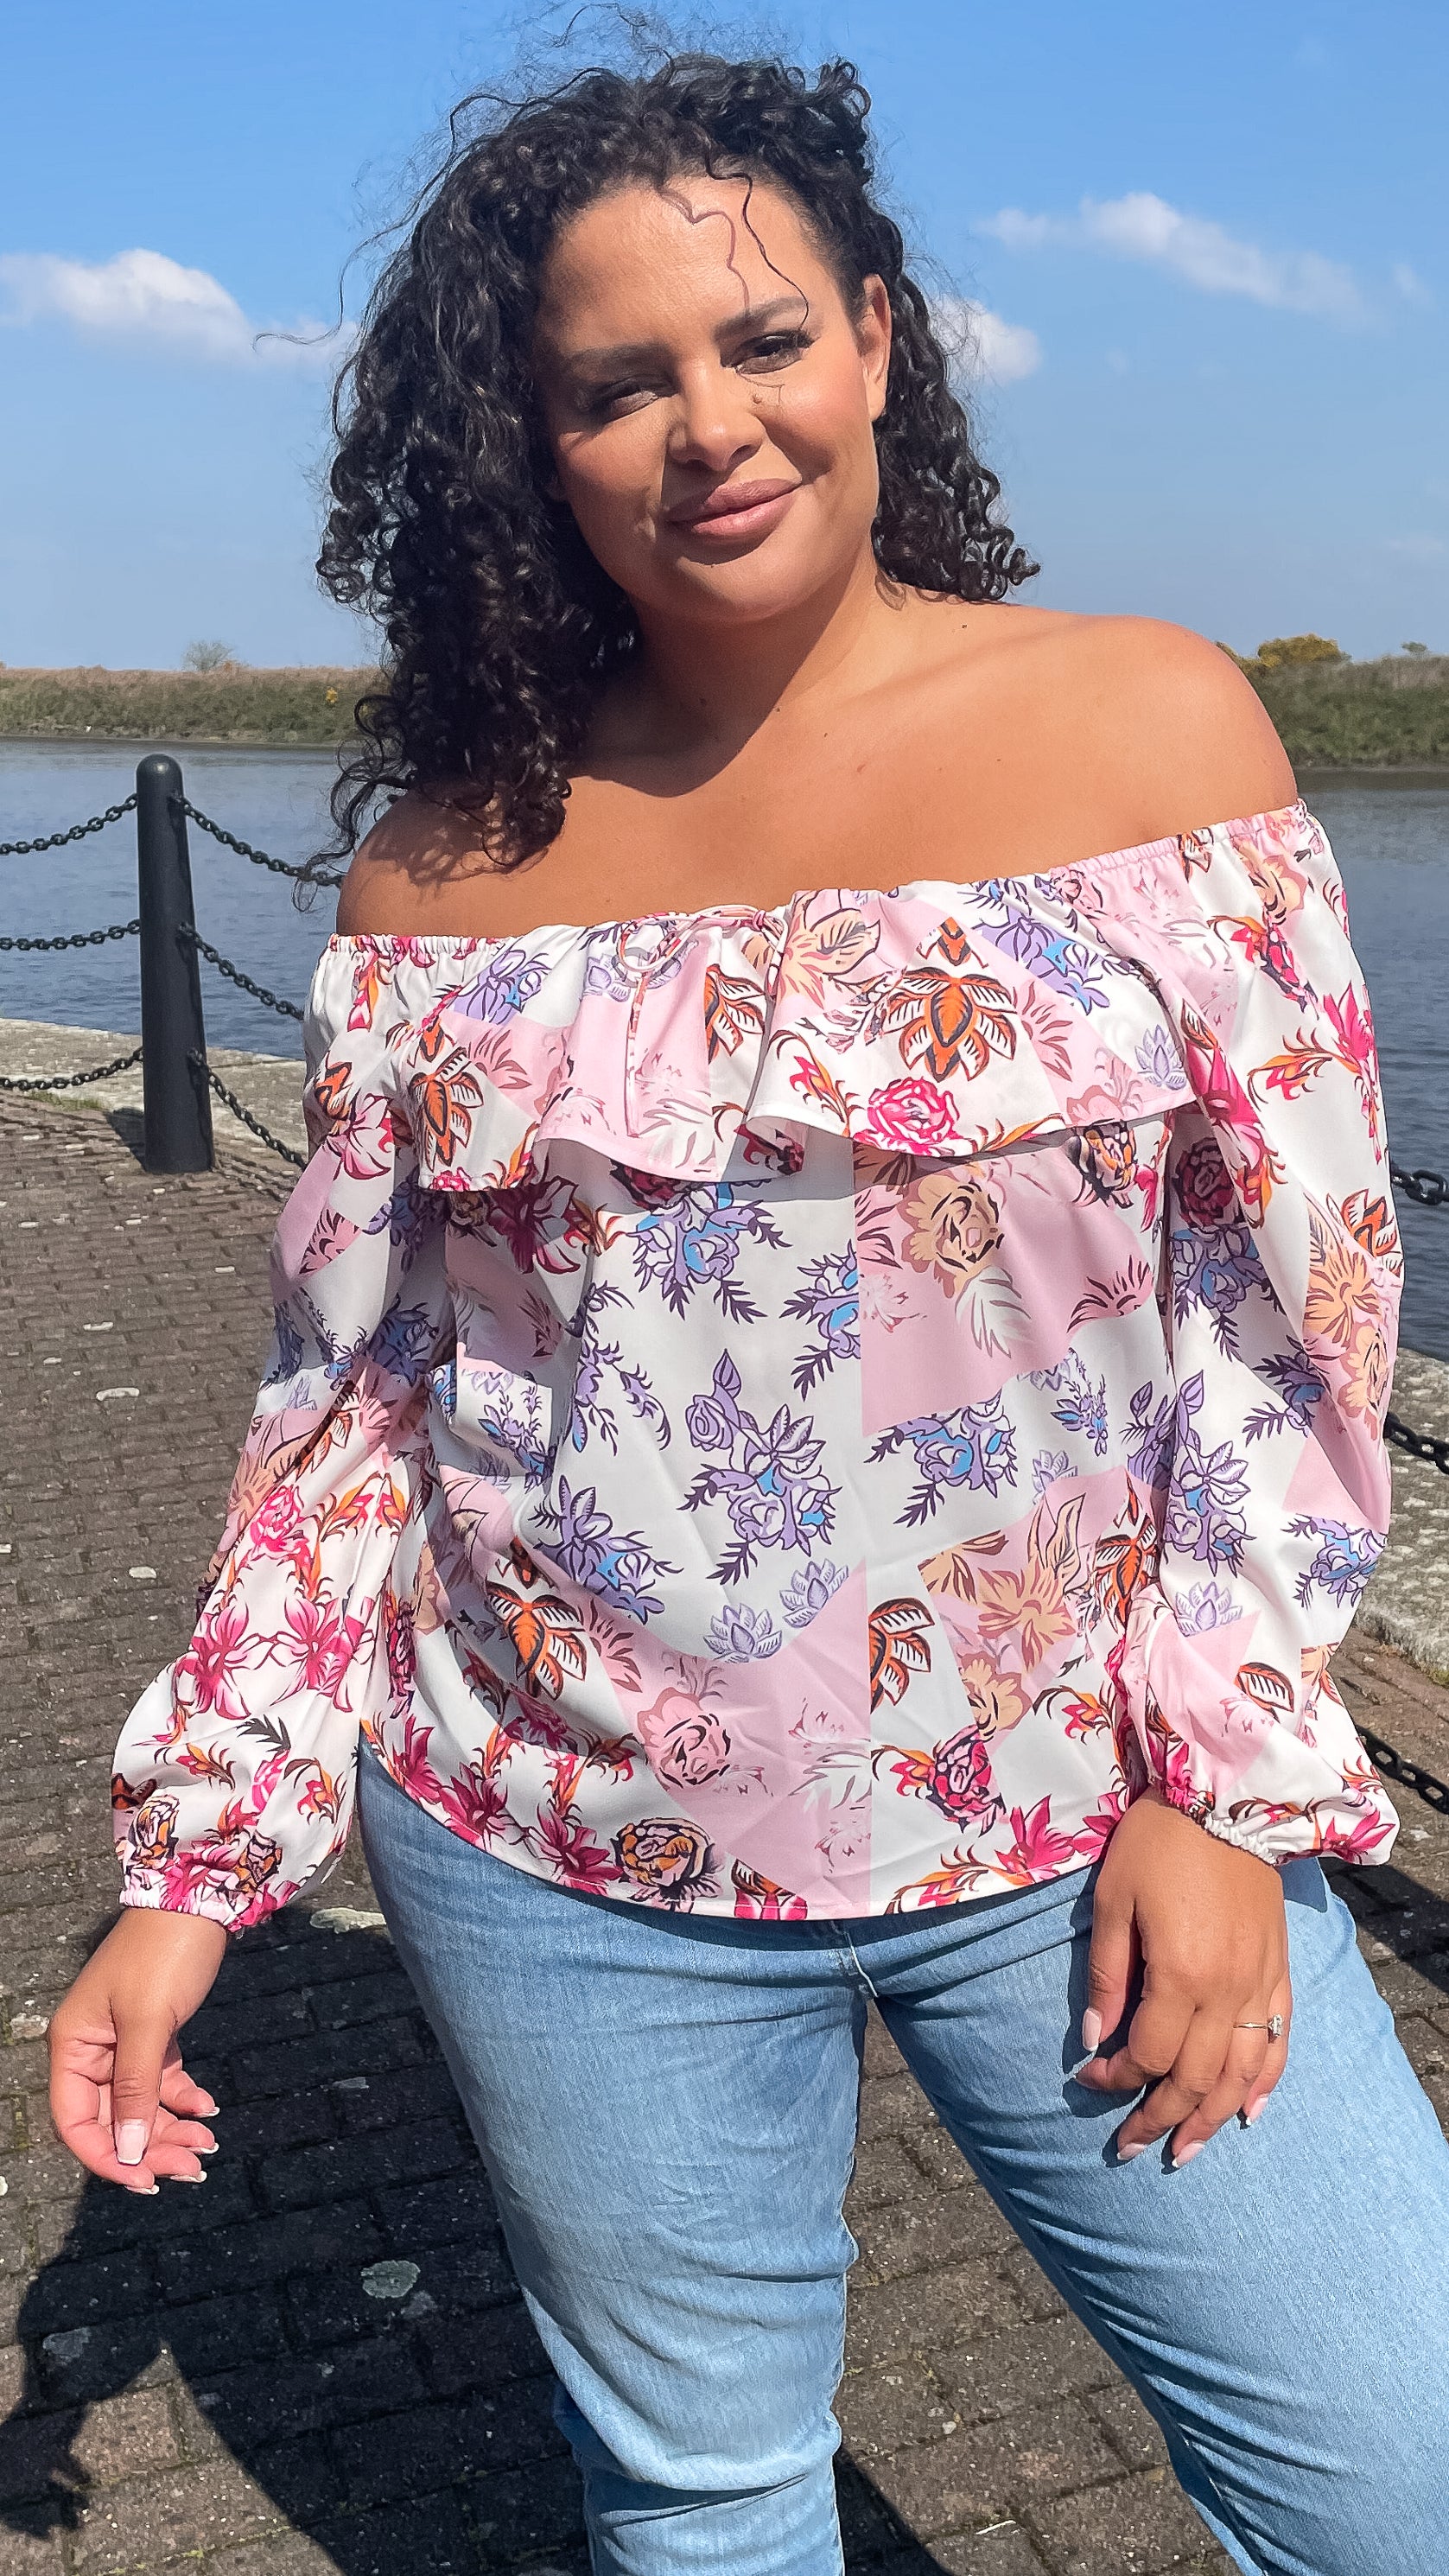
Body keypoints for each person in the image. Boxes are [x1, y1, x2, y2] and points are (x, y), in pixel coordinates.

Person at [50, 51, 1448, 2576]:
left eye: (765, 338)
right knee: (700, 2507)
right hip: (553, 1852)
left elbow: (1299, 1311)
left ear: (879, 340)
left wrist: (1227, 1787)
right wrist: (202, 1864)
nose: (711, 426)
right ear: (533, 443)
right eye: (619, 383)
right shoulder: (443, 875)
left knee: (1398, 2473)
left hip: (1076, 1819)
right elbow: (357, 1405)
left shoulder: (1149, 732)